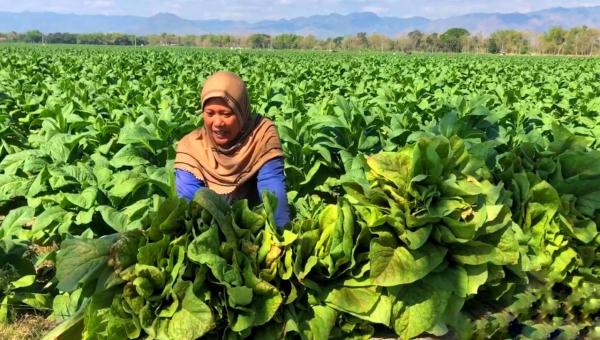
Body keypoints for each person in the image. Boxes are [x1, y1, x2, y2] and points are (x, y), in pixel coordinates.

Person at [174, 71, 291, 228]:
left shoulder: (262, 135)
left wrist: (281, 238)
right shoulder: (191, 149)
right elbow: (192, 207)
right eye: (210, 113)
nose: (217, 123)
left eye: (226, 114)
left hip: (256, 224)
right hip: (210, 229)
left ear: (241, 111)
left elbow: (273, 194)